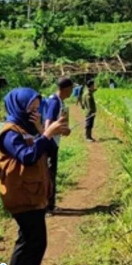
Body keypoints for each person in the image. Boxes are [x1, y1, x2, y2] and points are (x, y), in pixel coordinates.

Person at [0, 87, 69, 265]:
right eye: (32, 110)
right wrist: (46, 135)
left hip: (33, 195)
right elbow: (27, 157)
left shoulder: (28, 129)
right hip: (22, 197)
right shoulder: (10, 133)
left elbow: (47, 153)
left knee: (34, 242)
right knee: (30, 242)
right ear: (19, 107)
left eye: (38, 110)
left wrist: (42, 131)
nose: (35, 114)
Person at [43, 77, 74, 214]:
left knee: (50, 174)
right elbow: (48, 124)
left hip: (51, 142)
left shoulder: (57, 100)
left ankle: (49, 204)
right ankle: (48, 206)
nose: (72, 91)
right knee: (50, 174)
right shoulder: (55, 102)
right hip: (50, 144)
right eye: (71, 89)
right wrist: (60, 131)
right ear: (66, 89)